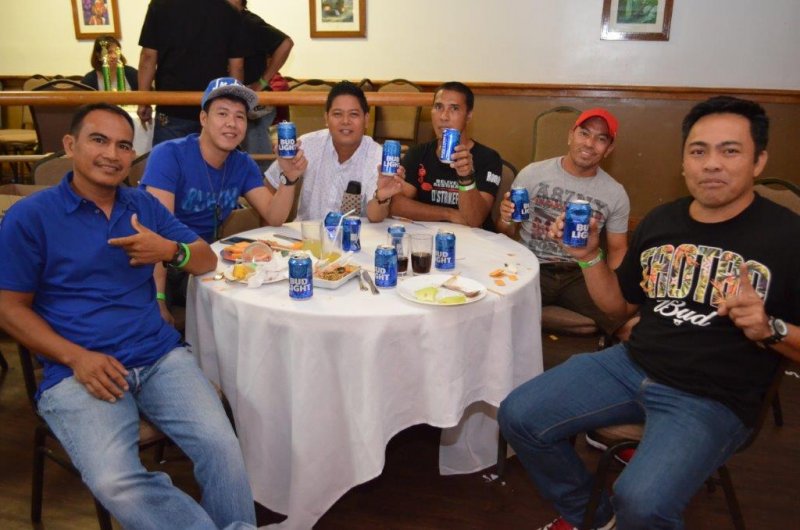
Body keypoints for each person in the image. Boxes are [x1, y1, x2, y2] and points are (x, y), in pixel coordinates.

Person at [498, 96, 800, 530]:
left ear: (759, 161)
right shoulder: (661, 222)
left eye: (730, 150)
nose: (712, 163)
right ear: (684, 163)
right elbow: (617, 307)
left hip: (713, 395)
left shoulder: (788, 238)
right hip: (632, 364)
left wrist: (772, 329)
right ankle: (594, 519)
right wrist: (588, 256)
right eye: (698, 151)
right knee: (519, 415)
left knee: (640, 500)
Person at [0, 103, 256, 530]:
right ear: (70, 145)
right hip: (79, 369)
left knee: (222, 446)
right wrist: (77, 358)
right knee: (115, 480)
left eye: (123, 145)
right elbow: (8, 308)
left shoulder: (143, 205)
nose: (112, 154)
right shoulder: (32, 217)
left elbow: (207, 259)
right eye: (98, 140)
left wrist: (169, 250)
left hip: (159, 357)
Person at [141, 77, 294, 320]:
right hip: (161, 263)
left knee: (254, 302)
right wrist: (158, 299)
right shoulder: (169, 155)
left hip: (204, 263)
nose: (231, 123)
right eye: (222, 114)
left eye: (240, 116)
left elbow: (274, 216)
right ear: (204, 118)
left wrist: (289, 177)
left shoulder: (242, 163)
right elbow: (157, 233)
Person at [495, 108, 631, 337]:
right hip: (532, 266)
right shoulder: (532, 174)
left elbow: (618, 249)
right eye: (584, 133)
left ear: (609, 149)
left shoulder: (616, 193)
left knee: (624, 322)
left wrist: (616, 288)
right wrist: (505, 219)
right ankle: (541, 316)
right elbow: (505, 233)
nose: (589, 144)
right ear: (570, 135)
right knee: (494, 305)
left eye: (601, 139)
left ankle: (533, 315)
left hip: (580, 273)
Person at [264, 80, 404, 223]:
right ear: (326, 118)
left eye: (353, 114)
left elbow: (375, 216)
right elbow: (270, 183)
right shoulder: (307, 144)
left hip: (354, 235)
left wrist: (381, 197)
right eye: (337, 114)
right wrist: (287, 180)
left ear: (366, 120)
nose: (345, 121)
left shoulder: (378, 157)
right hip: (307, 234)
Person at [390, 81, 502, 231]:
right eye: (438, 107)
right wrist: (448, 214)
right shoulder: (418, 153)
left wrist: (466, 176)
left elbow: (474, 219)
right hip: (429, 236)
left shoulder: (488, 158)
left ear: (468, 116)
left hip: (475, 240)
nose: (444, 116)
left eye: (454, 108)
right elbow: (396, 205)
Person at [137, 0, 246, 146]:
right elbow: (237, 66)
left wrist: (143, 100)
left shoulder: (160, 5)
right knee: (214, 160)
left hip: (171, 105)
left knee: (169, 158)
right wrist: (234, 108)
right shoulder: (229, 11)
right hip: (213, 107)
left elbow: (148, 57)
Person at [226, 0, 294, 172]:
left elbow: (286, 44)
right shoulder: (224, 22)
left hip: (254, 104)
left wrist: (262, 82)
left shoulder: (248, 22)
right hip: (232, 99)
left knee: (257, 162)